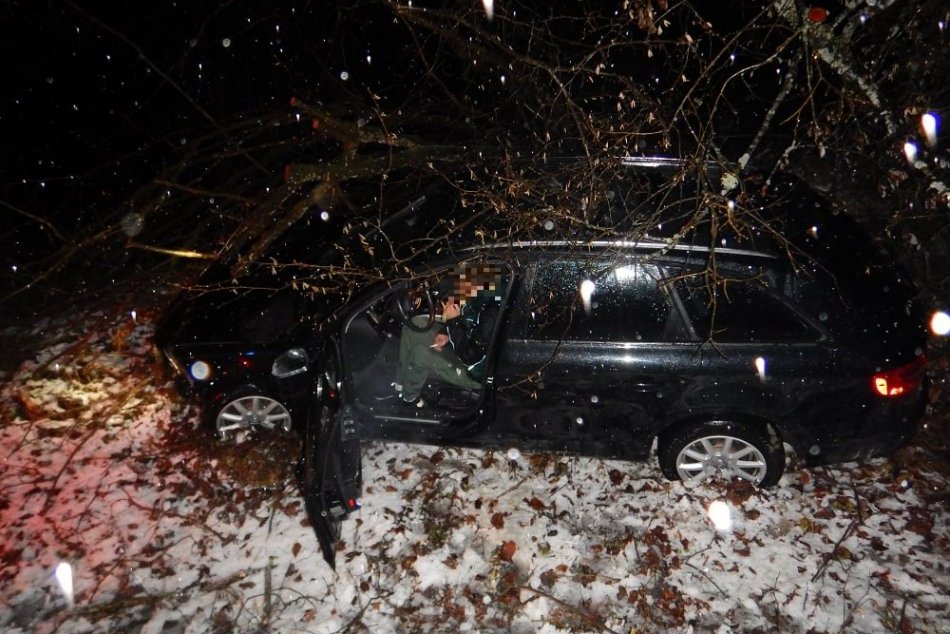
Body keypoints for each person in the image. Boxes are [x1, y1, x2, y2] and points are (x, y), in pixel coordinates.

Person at [393, 265, 504, 406]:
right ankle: (400, 384)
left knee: (421, 353)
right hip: (464, 344)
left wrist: (453, 321)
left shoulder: (493, 313)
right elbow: (469, 320)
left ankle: (409, 399)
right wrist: (445, 332)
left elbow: (470, 357)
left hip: (473, 372)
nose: (461, 287)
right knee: (415, 324)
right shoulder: (486, 294)